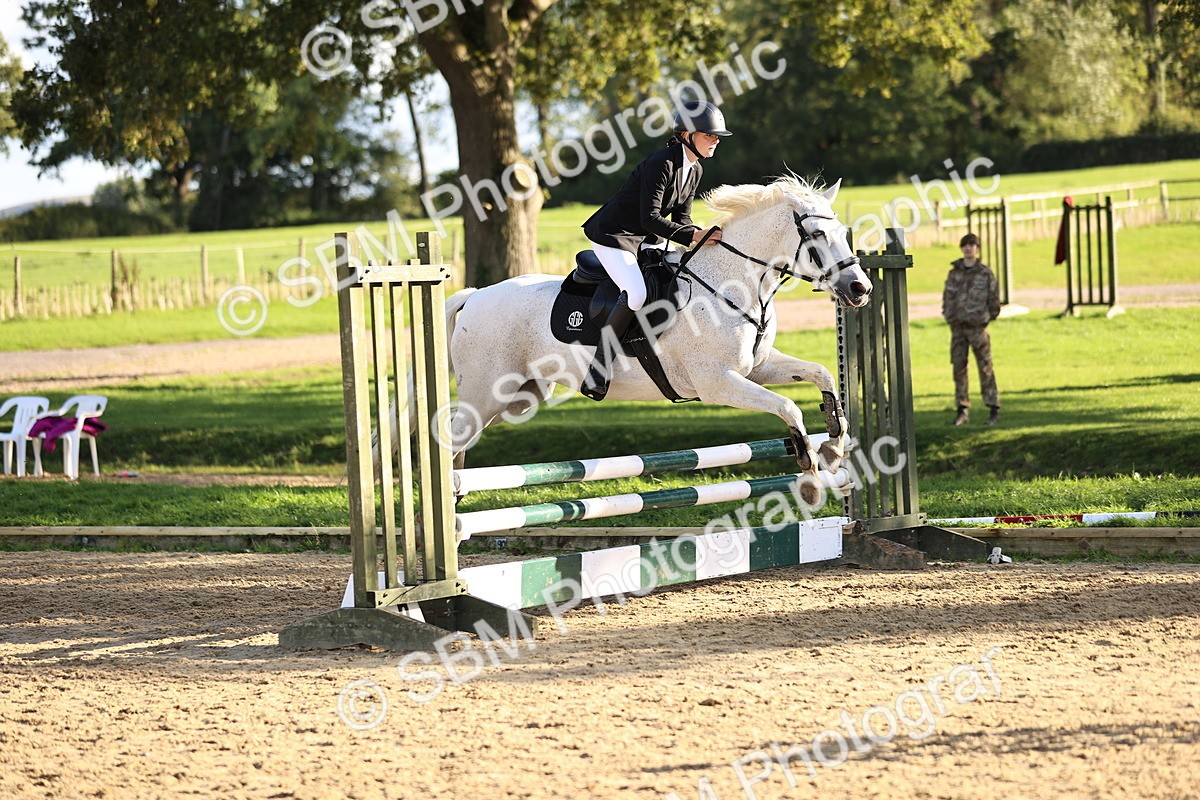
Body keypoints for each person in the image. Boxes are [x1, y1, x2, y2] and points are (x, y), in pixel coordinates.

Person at [578, 100, 729, 400]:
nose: (715, 140)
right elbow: (651, 217)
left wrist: (700, 238)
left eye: (717, 136)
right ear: (686, 135)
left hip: (647, 237)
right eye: (709, 134)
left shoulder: (694, 169)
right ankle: (598, 369)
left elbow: (682, 220)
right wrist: (692, 235)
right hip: (615, 235)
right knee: (636, 293)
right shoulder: (663, 162)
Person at [942, 233, 1001, 425]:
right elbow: (947, 298)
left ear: (977, 248)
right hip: (958, 328)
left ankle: (993, 407)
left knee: (985, 367)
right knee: (959, 368)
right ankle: (962, 409)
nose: (968, 248)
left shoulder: (985, 273)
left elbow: (994, 300)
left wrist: (986, 317)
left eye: (972, 245)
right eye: (965, 245)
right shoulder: (954, 273)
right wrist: (950, 316)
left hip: (977, 328)